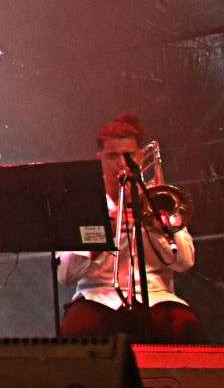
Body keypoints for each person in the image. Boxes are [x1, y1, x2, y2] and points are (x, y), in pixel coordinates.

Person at [57, 112, 202, 343]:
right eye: (113, 156)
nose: (121, 164)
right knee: (77, 331)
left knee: (187, 329)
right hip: (97, 297)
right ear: (100, 158)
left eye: (129, 155)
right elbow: (65, 275)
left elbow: (184, 263)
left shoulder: (160, 200)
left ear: (142, 157)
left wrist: (156, 227)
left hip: (156, 296)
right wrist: (103, 232)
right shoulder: (82, 203)